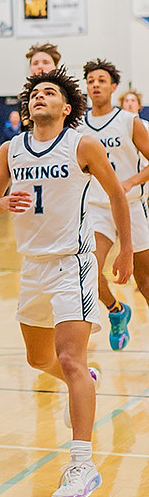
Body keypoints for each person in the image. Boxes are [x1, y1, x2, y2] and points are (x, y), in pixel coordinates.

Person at [0, 67, 132, 497]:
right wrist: (3, 201)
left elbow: (116, 194)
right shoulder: (11, 151)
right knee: (39, 359)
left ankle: (82, 465)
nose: (40, 97)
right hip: (32, 267)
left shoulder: (81, 144)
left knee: (69, 359)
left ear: (67, 108)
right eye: (35, 93)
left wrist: (122, 249)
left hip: (75, 263)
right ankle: (87, 379)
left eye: (50, 92)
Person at [82, 59, 149, 350]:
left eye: (101, 80)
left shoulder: (128, 121)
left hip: (132, 205)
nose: (95, 84)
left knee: (145, 281)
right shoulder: (78, 126)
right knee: (88, 271)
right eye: (91, 80)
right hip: (97, 208)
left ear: (113, 87)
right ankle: (116, 310)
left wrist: (130, 182)